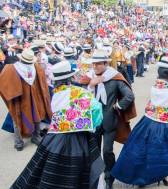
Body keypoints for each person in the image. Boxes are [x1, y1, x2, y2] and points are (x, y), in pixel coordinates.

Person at [11, 60, 104, 189]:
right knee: (78, 173)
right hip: (78, 138)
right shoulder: (80, 93)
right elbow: (97, 117)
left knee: (44, 171)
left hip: (54, 137)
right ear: (70, 77)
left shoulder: (55, 94)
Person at [112, 56, 168, 187]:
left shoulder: (155, 87)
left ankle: (140, 177)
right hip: (165, 126)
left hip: (148, 122)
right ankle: (158, 176)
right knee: (161, 154)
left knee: (142, 151)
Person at [87, 50, 136, 189]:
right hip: (92, 122)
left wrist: (118, 106)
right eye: (93, 63)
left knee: (107, 151)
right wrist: (91, 85)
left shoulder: (114, 77)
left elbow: (129, 95)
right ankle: (96, 176)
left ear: (105, 63)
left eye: (98, 64)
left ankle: (109, 176)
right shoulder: (88, 77)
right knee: (94, 151)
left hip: (110, 121)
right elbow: (80, 98)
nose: (95, 66)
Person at [0, 49, 52, 151]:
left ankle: (21, 142)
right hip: (25, 97)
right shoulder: (34, 67)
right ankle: (30, 138)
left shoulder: (12, 68)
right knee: (28, 117)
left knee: (21, 118)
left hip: (25, 97)